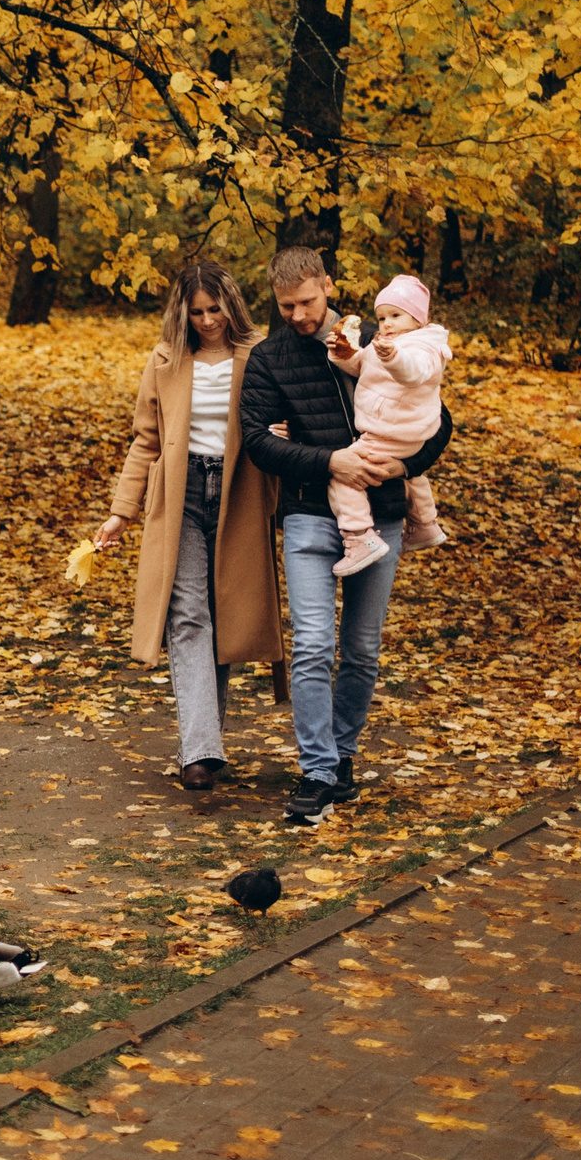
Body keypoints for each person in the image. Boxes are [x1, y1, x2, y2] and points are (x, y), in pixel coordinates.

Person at [240, 246, 453, 826]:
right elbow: (259, 439)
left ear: (328, 287)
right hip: (308, 513)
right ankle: (316, 770)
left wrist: (405, 468)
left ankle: (344, 755)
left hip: (381, 513)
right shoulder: (268, 358)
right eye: (287, 306)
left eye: (308, 302)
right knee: (312, 645)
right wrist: (329, 460)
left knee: (360, 649)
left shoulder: (379, 337)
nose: (300, 315)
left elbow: (438, 418)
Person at [92, 260, 281, 792]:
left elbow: (277, 416)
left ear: (231, 305)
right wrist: (120, 511)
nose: (206, 321)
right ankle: (200, 751)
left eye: (214, 309)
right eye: (196, 312)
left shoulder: (258, 354)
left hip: (240, 493)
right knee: (190, 615)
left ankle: (203, 741)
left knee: (225, 617)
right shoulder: (165, 360)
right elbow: (145, 440)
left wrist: (282, 430)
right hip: (180, 496)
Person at [323, 272, 450, 573]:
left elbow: (414, 371)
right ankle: (425, 524)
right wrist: (341, 352)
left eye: (395, 315)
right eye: (381, 318)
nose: (387, 324)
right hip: (405, 434)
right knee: (412, 476)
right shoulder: (385, 344)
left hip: (392, 429)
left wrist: (393, 357)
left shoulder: (424, 347)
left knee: (344, 473)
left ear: (418, 319)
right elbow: (361, 365)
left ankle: (358, 536)